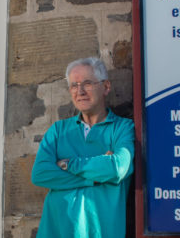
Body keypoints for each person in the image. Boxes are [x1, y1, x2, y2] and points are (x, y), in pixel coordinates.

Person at [31, 57, 135, 237]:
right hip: (55, 231)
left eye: (87, 83)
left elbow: (117, 168)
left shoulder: (122, 128)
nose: (80, 91)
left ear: (106, 87)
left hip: (102, 231)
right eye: (74, 85)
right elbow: (40, 173)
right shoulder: (58, 131)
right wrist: (95, 177)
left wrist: (68, 165)